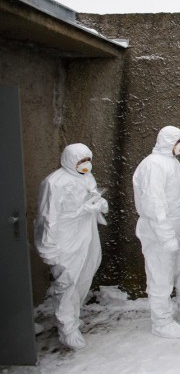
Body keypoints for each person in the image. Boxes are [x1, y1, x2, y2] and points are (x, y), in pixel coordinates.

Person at [132, 126, 180, 339]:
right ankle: (162, 321)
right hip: (160, 235)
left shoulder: (172, 162)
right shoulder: (153, 166)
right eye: (179, 140)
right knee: (160, 276)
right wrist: (165, 236)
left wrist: (179, 232)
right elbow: (154, 205)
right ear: (168, 141)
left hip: (178, 231)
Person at [34, 143, 108, 350]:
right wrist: (48, 248)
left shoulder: (85, 177)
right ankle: (67, 329)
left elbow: (93, 197)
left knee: (83, 277)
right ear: (69, 160)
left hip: (86, 235)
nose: (85, 165)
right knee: (67, 281)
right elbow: (48, 217)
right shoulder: (54, 183)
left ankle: (72, 316)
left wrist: (99, 204)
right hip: (65, 239)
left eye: (88, 160)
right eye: (80, 161)